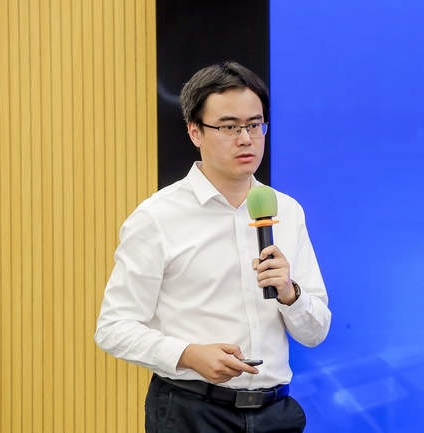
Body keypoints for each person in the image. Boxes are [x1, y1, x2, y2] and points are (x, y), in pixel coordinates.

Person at [94, 61, 331, 432]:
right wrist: (188, 354)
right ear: (195, 131)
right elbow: (113, 328)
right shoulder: (157, 217)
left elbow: (315, 333)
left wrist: (290, 293)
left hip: (276, 413)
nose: (246, 139)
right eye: (229, 127)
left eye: (255, 125)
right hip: (192, 412)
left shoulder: (286, 211)